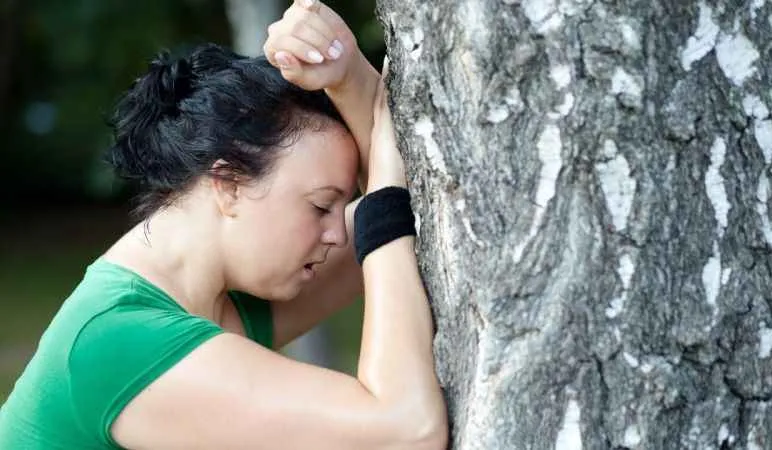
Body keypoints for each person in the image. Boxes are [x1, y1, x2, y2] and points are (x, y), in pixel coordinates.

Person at [0, 0, 448, 448]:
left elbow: (412, 214)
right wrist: (385, 188)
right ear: (229, 184)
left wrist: (346, 74)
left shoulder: (210, 294)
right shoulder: (119, 342)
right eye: (319, 207)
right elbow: (406, 430)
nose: (337, 233)